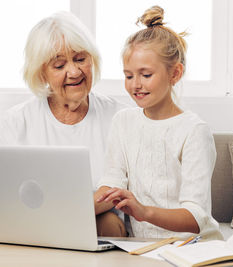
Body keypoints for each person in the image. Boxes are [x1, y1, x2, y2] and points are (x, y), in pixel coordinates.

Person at [0, 11, 128, 237]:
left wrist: (65, 211)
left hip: (101, 229)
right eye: (59, 65)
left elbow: (121, 191)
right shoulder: (15, 122)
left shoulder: (120, 117)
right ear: (41, 73)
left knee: (108, 222)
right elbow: (2, 196)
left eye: (81, 59)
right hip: (33, 225)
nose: (74, 72)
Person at [94, 6, 223, 240]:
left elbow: (196, 217)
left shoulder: (194, 130)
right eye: (129, 75)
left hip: (193, 248)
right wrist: (67, 210)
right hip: (142, 248)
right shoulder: (123, 122)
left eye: (146, 75)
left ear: (175, 74)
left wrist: (143, 212)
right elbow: (111, 183)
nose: (135, 85)